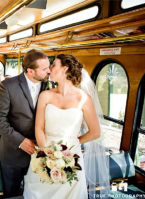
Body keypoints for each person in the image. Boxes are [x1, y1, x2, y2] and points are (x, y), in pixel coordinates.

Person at [23, 54, 103, 199]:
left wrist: (74, 141)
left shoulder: (84, 98)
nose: (49, 70)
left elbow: (95, 132)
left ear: (65, 69)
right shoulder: (45, 95)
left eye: (53, 65)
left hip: (72, 156)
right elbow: (39, 128)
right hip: (45, 152)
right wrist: (47, 155)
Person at [0, 49, 50, 197]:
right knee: (11, 193)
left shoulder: (50, 85)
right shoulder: (8, 85)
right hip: (13, 152)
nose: (49, 71)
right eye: (44, 69)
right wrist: (21, 141)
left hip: (41, 153)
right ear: (30, 70)